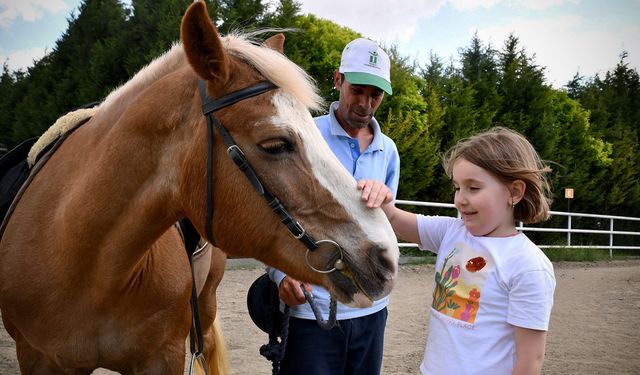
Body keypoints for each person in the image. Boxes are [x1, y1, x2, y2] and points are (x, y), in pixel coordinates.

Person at [359, 126, 556, 374]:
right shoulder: (451, 232)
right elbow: (394, 218)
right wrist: (378, 195)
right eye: (457, 187)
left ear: (514, 192)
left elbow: (530, 361)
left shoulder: (528, 265)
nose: (460, 199)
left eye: (473, 188)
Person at [266, 38, 400, 375]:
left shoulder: (388, 151)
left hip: (371, 309)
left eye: (375, 95)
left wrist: (384, 200)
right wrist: (281, 275)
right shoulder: (303, 135)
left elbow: (387, 225)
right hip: (313, 311)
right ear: (337, 79)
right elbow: (273, 217)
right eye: (358, 90)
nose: (365, 103)